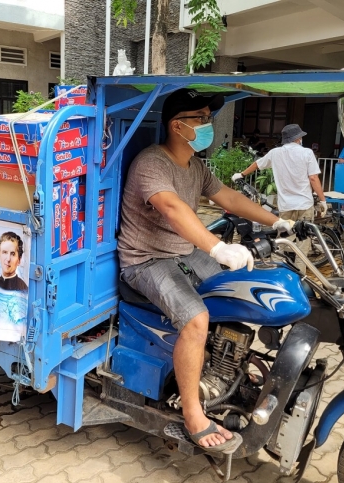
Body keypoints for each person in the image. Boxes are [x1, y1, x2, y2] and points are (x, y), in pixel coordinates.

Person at [118, 88, 293, 453]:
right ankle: (193, 411)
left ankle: (221, 368)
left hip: (180, 252)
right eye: (201, 118)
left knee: (237, 290)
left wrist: (278, 222)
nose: (209, 124)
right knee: (197, 319)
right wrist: (216, 247)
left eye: (209, 117)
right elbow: (171, 207)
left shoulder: (195, 166)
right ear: (178, 126)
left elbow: (229, 197)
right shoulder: (152, 162)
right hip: (145, 260)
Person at [234, 124, 326, 274]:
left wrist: (242, 174)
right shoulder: (307, 153)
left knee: (283, 239)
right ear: (298, 138)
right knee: (303, 241)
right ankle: (301, 275)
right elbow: (314, 178)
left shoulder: (275, 153)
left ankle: (280, 271)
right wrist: (322, 200)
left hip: (286, 205)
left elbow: (258, 164)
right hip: (304, 204)